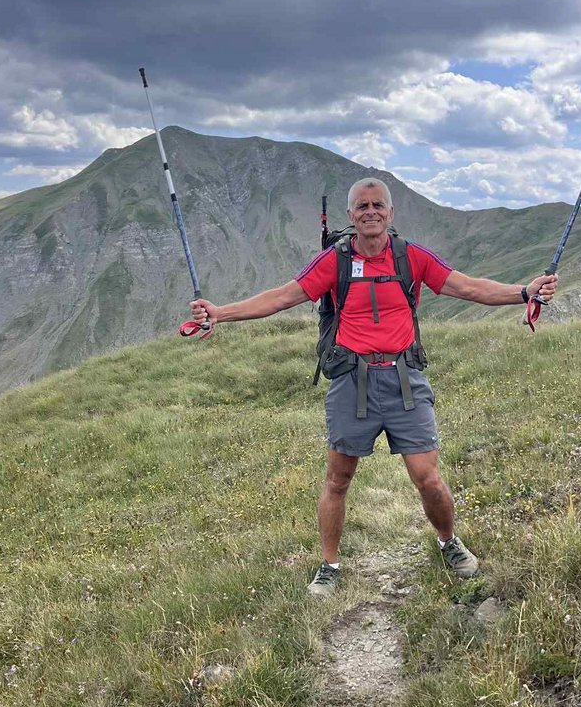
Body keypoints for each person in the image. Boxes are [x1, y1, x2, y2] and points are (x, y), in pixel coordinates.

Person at [190, 177, 559, 596]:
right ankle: (329, 566)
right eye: (362, 206)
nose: (370, 212)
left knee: (428, 478)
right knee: (338, 479)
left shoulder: (411, 257)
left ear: (390, 213)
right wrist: (220, 313)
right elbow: (282, 297)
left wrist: (524, 292)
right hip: (352, 381)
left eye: (378, 205)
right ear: (350, 215)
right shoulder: (334, 261)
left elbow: (469, 287)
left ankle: (448, 542)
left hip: (405, 379)